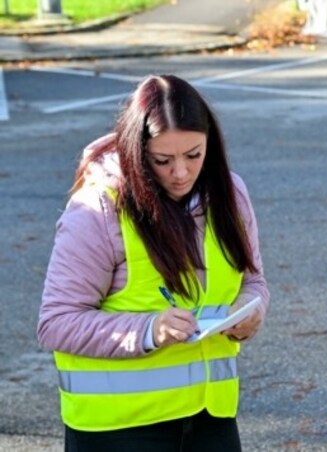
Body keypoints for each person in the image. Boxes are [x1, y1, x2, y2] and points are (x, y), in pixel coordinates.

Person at [38, 74, 270, 451]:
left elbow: (253, 282)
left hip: (210, 420)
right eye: (162, 160)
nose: (181, 173)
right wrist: (149, 331)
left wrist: (248, 311)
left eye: (194, 155)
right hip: (118, 429)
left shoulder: (231, 193)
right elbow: (56, 323)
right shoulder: (97, 210)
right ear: (136, 151)